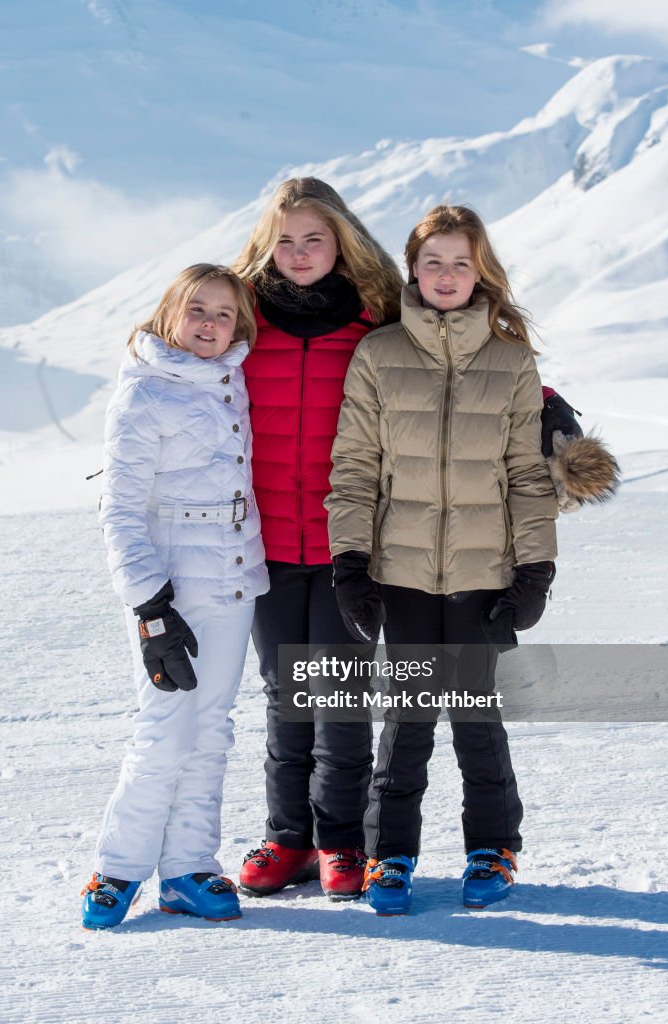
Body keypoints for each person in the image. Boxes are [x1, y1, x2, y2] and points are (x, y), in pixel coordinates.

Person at [325, 204, 559, 915]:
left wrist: (535, 570)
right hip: (399, 572)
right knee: (407, 717)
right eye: (433, 262)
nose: (447, 275)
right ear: (414, 270)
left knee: (476, 715)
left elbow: (527, 473)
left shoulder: (512, 360)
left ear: (480, 268)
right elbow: (355, 467)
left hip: (486, 572)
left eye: (461, 262)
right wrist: (350, 562)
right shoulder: (381, 354)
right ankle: (389, 854)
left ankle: (492, 848)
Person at [81, 264, 268, 929]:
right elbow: (120, 511)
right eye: (197, 310)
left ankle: (189, 867)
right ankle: (119, 866)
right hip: (172, 585)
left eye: (224, 314)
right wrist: (150, 606)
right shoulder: (144, 393)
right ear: (168, 314)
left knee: (211, 725)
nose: (210, 325)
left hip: (236, 575)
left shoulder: (236, 381)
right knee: (164, 727)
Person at [233, 178, 404, 900]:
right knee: (283, 694)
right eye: (286, 240)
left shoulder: (378, 321)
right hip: (262, 540)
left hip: (349, 543)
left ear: (342, 241)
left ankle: (341, 841)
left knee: (337, 692)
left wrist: (547, 409)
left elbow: (465, 364)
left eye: (315, 239)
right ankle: (288, 839)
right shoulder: (241, 320)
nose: (299, 254)